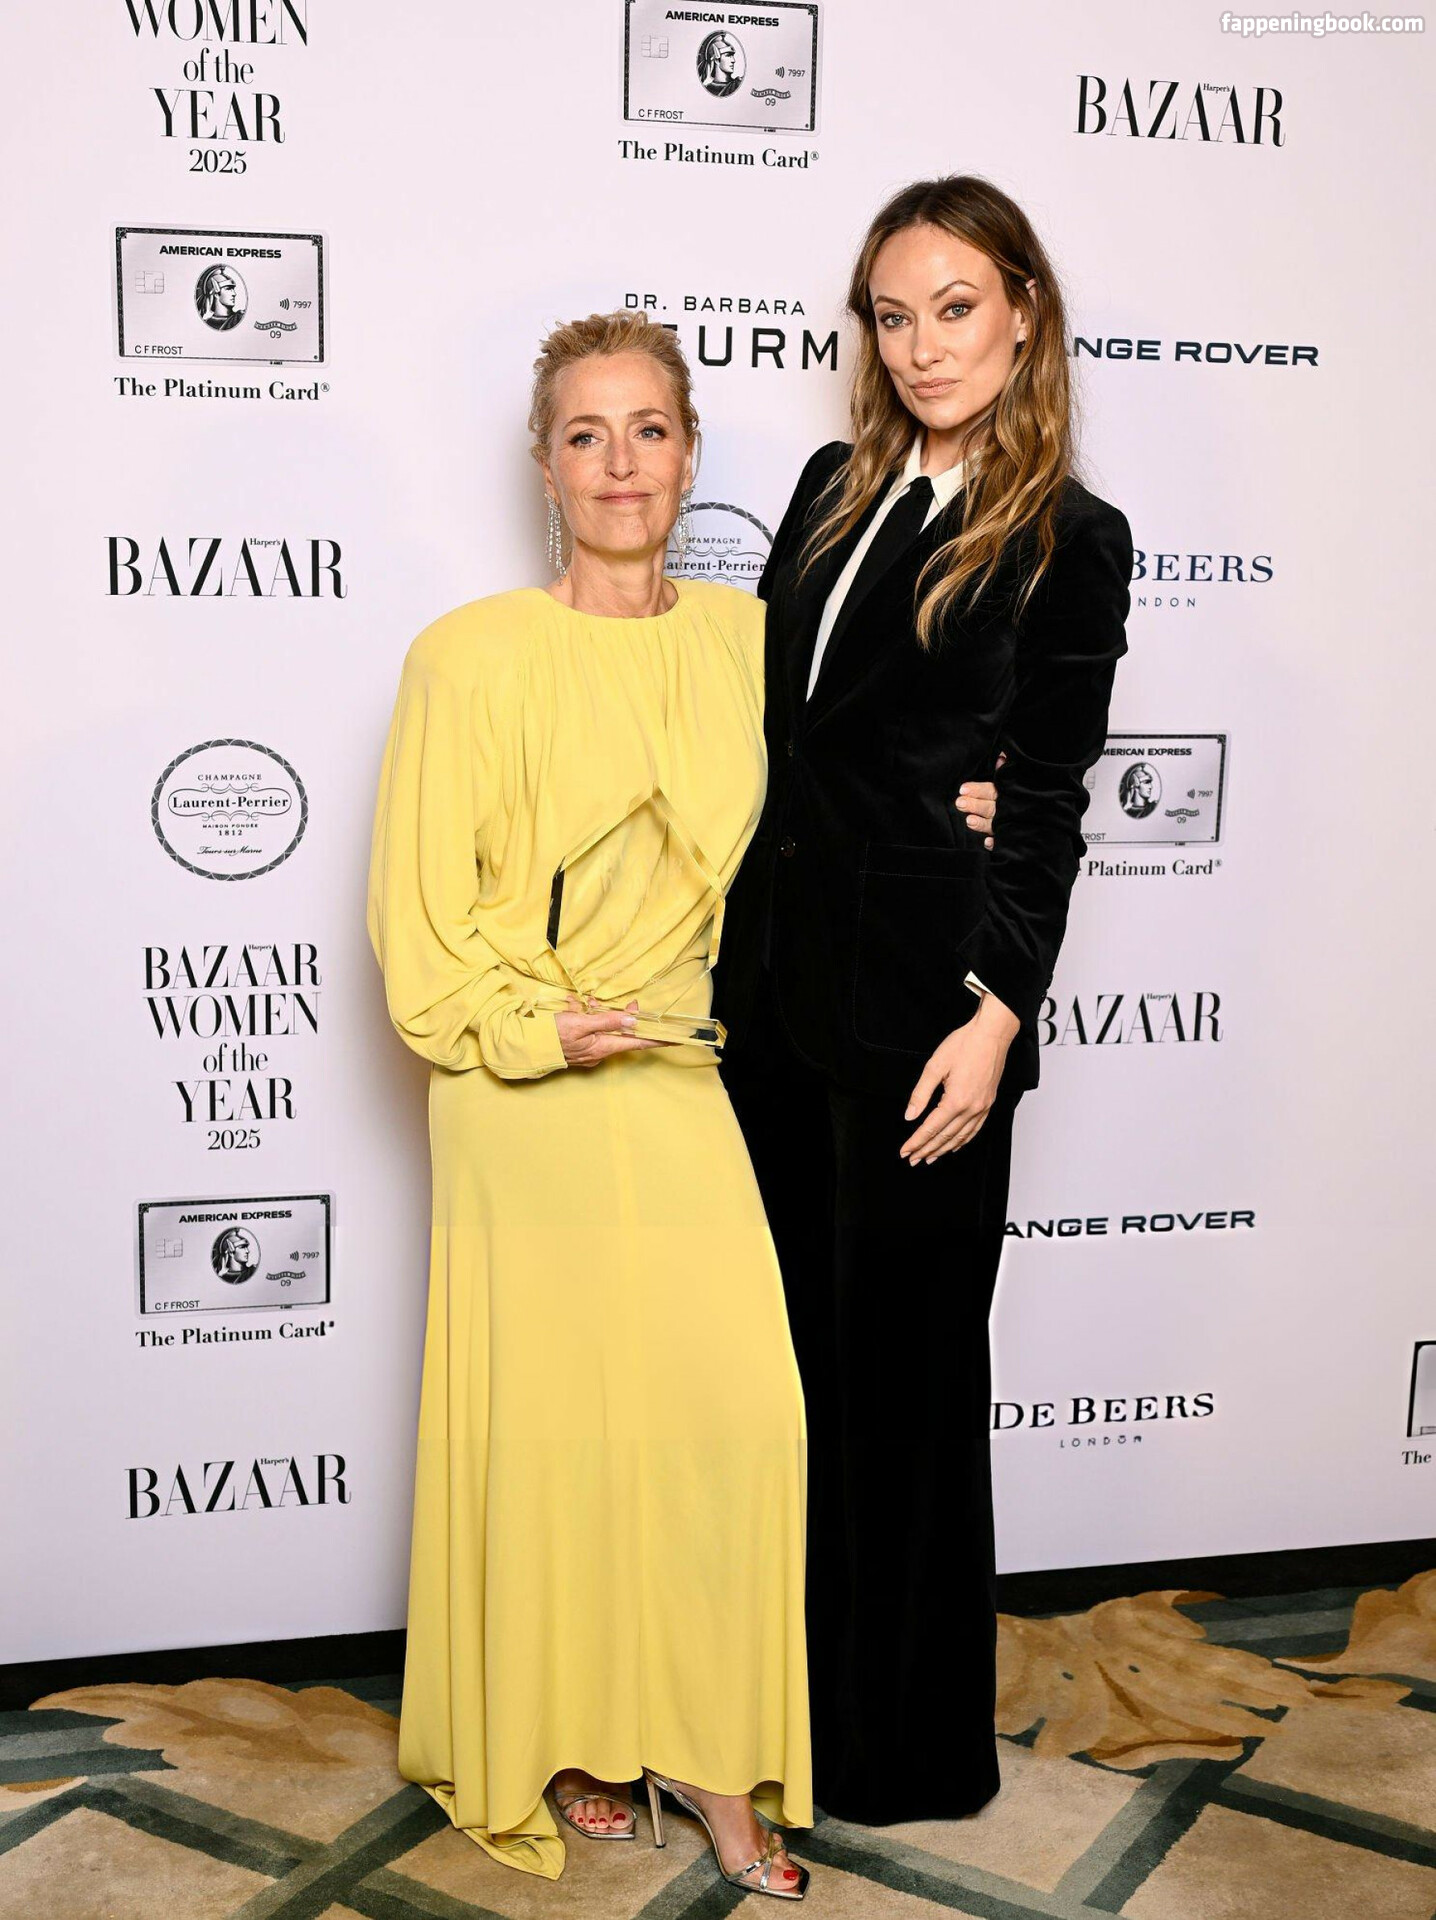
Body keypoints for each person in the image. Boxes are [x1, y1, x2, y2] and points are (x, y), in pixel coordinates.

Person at [366, 312, 812, 1896]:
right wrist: (534, 1028)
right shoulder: (468, 654)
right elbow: (421, 924)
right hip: (526, 1090)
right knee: (558, 1437)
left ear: (689, 457)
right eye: (585, 435)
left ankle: (708, 1748)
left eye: (649, 431)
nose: (621, 464)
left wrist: (973, 796)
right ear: (543, 468)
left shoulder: (755, 643)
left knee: (734, 1417)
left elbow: (862, 806)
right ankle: (565, 1730)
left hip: (682, 1069)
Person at [716, 175, 1133, 1825]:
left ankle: (900, 1754)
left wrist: (997, 1014)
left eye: (954, 308)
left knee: (906, 1388)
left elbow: (1049, 803)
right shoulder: (833, 488)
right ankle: (786, 1711)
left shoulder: (1070, 539)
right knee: (788, 1380)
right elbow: (782, 728)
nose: (922, 346)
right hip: (770, 1004)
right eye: (893, 316)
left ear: (1023, 310)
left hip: (925, 1021)